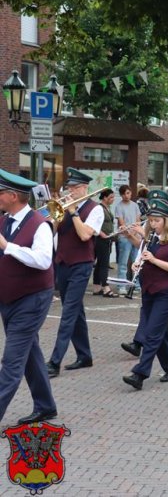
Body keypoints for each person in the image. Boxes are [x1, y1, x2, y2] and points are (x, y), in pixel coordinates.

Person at [0, 170, 58, 424]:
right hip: (10, 297)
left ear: (13, 196)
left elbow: (43, 260)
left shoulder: (40, 224)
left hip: (32, 298)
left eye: (0, 193)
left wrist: (7, 246)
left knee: (12, 360)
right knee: (30, 352)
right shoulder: (5, 220)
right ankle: (45, 405)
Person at [47, 168, 104, 378]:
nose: (71, 191)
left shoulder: (95, 209)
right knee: (75, 310)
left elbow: (84, 235)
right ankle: (85, 355)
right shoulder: (64, 206)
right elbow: (51, 232)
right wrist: (56, 215)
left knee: (69, 312)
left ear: (85, 188)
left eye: (75, 188)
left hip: (81, 264)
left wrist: (73, 211)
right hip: (62, 263)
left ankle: (54, 362)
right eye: (69, 187)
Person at [122, 199, 168, 390]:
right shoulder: (149, 240)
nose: (153, 224)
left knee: (152, 333)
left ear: (166, 221)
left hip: (167, 293)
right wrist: (136, 265)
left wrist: (154, 260)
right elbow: (142, 258)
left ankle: (140, 374)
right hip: (149, 291)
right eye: (151, 220)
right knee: (160, 332)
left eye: (156, 220)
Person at [114, 185, 142, 293]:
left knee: (136, 262)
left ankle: (136, 284)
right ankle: (121, 285)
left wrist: (135, 232)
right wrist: (130, 232)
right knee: (123, 262)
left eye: (129, 193)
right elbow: (121, 223)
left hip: (135, 236)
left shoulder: (135, 205)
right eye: (125, 194)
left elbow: (138, 220)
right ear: (121, 195)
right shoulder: (119, 206)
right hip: (124, 237)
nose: (127, 196)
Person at [92, 188, 118, 298]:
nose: (113, 199)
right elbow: (95, 224)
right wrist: (102, 234)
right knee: (104, 263)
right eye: (111, 197)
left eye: (113, 197)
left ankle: (96, 287)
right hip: (101, 239)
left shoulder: (107, 208)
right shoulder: (99, 208)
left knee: (99, 264)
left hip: (107, 238)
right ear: (104, 197)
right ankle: (106, 287)